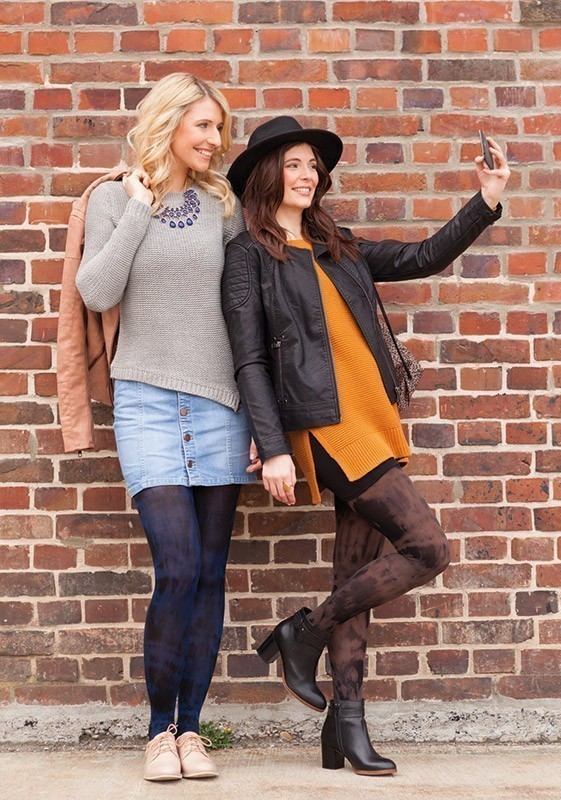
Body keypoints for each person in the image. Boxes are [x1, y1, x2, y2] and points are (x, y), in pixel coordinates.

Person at [222, 116, 509, 776]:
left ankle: (345, 728)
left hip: (371, 418)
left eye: (313, 165)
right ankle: (304, 632)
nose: (307, 174)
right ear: (269, 175)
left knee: (356, 575)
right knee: (427, 547)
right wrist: (272, 448)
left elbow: (421, 257)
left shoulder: (335, 246)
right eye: (293, 163)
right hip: (323, 428)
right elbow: (249, 362)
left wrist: (485, 198)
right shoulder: (248, 257)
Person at [75, 73, 259, 782]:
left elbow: (247, 315)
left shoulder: (224, 205)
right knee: (176, 568)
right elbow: (97, 290)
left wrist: (259, 419)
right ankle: (158, 731)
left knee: (210, 573)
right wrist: (141, 206)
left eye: (220, 128)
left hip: (219, 402)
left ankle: (191, 733)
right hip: (146, 402)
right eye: (204, 127)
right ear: (168, 124)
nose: (216, 141)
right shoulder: (109, 198)